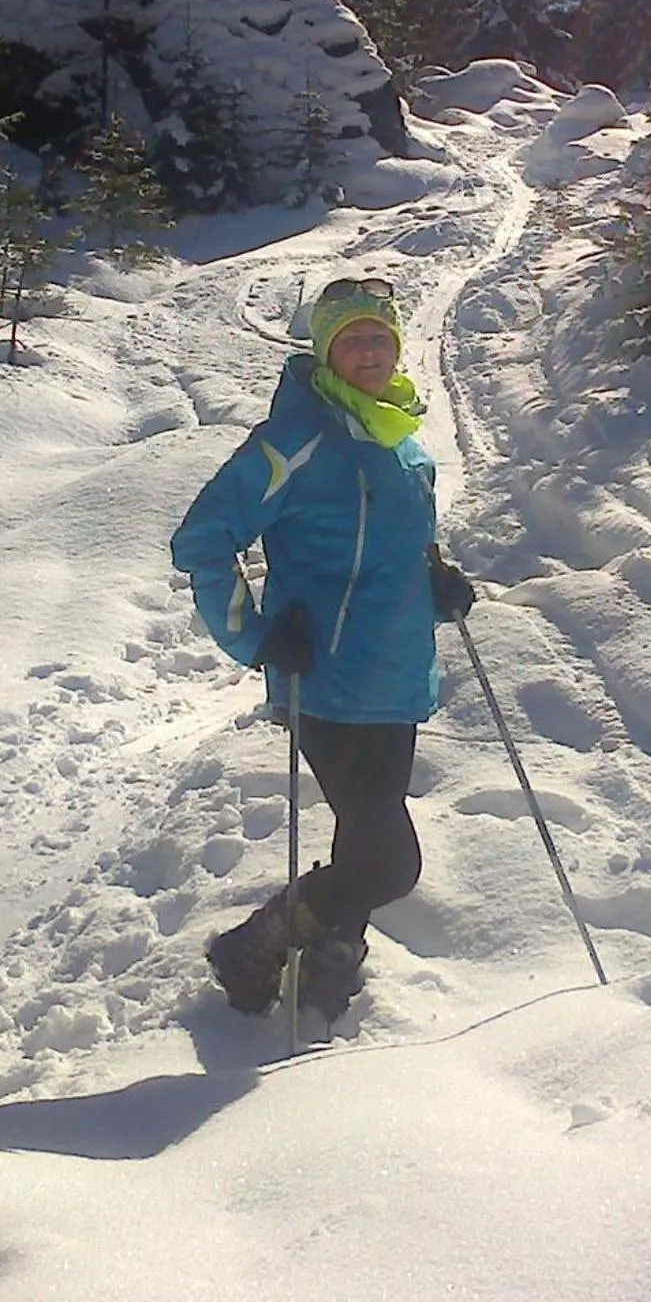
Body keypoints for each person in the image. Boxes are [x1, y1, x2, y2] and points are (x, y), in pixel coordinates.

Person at [171, 276, 475, 1021]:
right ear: (326, 350)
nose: (369, 351)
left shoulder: (400, 441)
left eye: (381, 337)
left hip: (397, 678)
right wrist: (256, 633)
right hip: (328, 682)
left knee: (363, 842)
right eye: (353, 338)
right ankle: (257, 943)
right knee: (390, 863)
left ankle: (332, 956)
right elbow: (203, 541)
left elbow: (394, 550)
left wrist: (432, 585)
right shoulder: (295, 439)